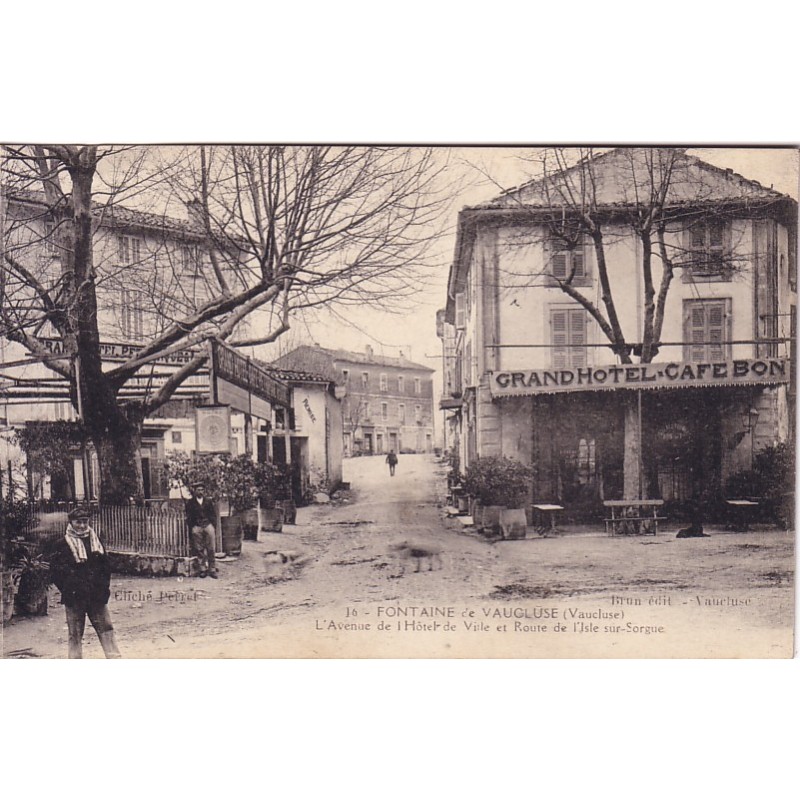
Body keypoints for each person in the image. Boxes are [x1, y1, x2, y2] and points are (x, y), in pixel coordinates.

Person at [48, 505, 122, 659]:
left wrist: (103, 589)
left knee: (106, 629)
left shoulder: (96, 541)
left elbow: (105, 567)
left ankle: (114, 659)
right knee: (75, 634)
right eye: (78, 522)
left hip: (96, 595)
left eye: (85, 521)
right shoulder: (62, 544)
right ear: (71, 523)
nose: (82, 526)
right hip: (74, 597)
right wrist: (69, 589)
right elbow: (55, 572)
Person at [185, 482, 218, 578]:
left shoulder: (208, 501)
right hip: (197, 526)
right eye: (198, 490)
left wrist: (212, 525)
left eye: (202, 490)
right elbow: (189, 516)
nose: (200, 492)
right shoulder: (190, 503)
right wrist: (193, 527)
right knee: (199, 549)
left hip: (207, 525)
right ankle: (202, 569)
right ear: (195, 491)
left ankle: (212, 569)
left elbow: (213, 514)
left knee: (211, 548)